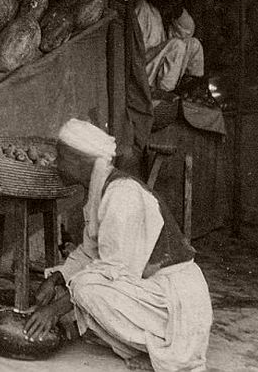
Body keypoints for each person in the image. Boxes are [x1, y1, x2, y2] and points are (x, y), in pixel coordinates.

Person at [25, 118, 212, 372]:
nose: (56, 164)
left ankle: (160, 350)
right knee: (75, 286)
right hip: (155, 293)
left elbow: (113, 271)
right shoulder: (100, 191)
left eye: (61, 157)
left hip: (176, 302)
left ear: (82, 161)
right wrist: (57, 277)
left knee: (84, 288)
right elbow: (90, 252)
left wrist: (54, 311)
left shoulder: (122, 194)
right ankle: (150, 350)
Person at [134, 0, 204, 93]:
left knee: (194, 44)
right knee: (177, 45)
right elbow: (137, 50)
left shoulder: (160, 9)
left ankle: (194, 87)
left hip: (161, 66)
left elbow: (187, 32)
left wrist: (177, 12)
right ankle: (165, 92)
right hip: (145, 71)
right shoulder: (141, 8)